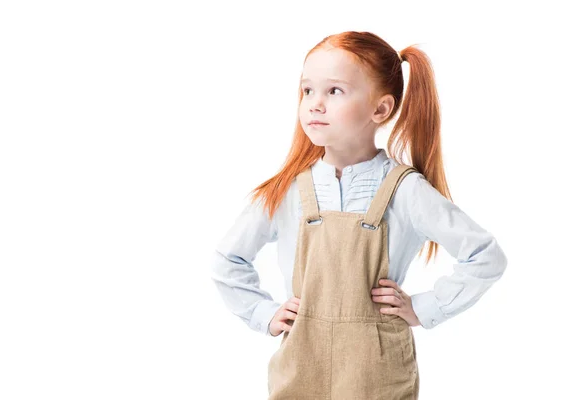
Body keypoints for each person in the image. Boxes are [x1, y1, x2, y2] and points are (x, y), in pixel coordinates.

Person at [209, 30, 507, 399]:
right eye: (307, 90)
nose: (315, 104)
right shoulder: (288, 189)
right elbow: (228, 259)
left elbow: (485, 256)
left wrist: (424, 308)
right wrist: (263, 313)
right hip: (302, 364)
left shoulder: (405, 189)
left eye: (334, 91)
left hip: (377, 371)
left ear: (380, 109)